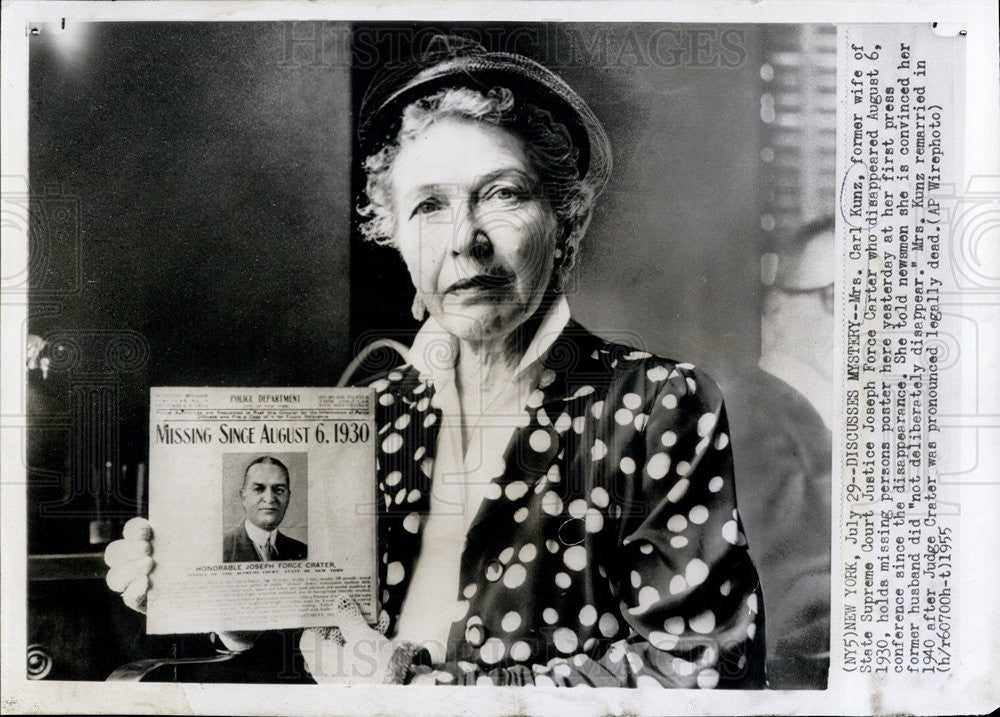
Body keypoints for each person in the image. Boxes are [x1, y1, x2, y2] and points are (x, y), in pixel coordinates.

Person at [106, 36, 766, 688]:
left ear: (567, 217)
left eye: (504, 194)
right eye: (429, 205)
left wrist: (428, 693)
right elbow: (323, 644)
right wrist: (217, 600)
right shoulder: (375, 412)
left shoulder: (656, 403)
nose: (464, 241)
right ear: (389, 232)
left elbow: (700, 667)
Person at [723, 217, 834, 688]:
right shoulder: (751, 416)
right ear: (776, 308)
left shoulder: (822, 413)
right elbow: (790, 614)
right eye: (839, 298)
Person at [223, 455, 307, 563]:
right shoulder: (221, 550)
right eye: (258, 489)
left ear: (288, 498)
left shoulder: (303, 552)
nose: (270, 499)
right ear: (243, 497)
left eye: (279, 490)